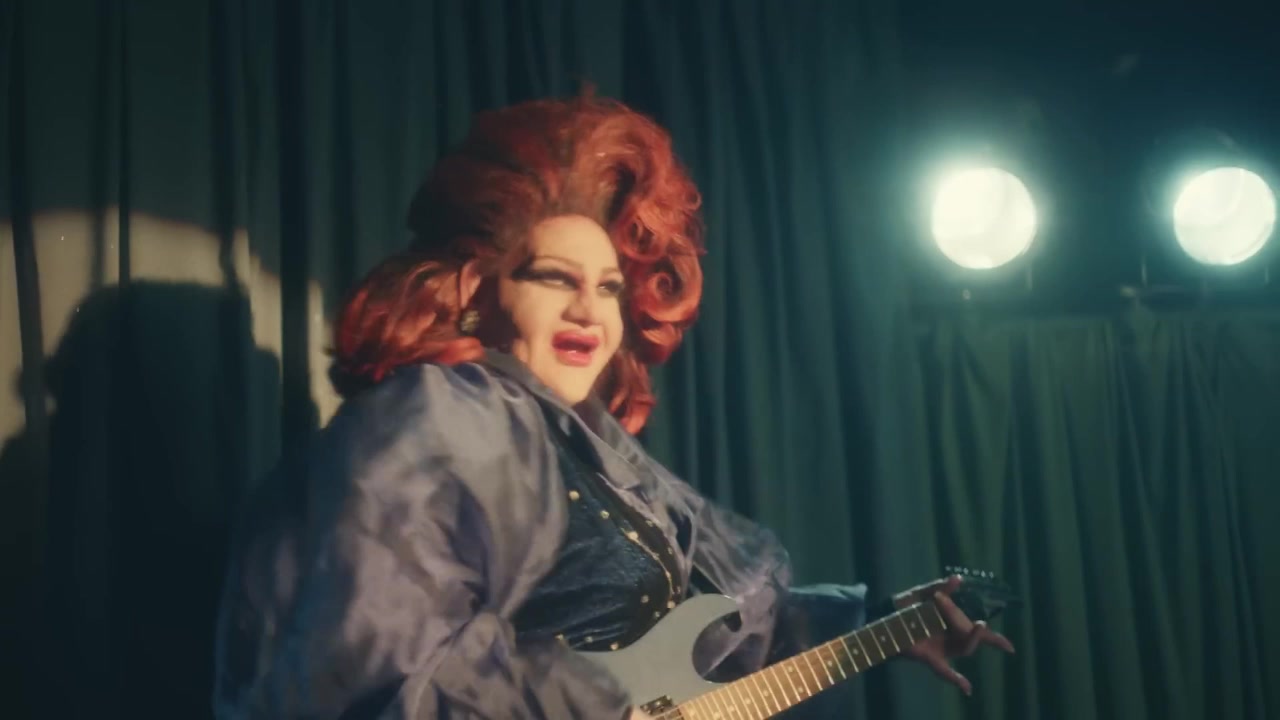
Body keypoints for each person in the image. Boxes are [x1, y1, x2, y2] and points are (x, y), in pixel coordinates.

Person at [212, 93, 1013, 720]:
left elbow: (714, 633)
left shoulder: (590, 452)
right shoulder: (428, 420)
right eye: (554, 279)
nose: (589, 312)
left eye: (607, 288)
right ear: (472, 288)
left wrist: (883, 624)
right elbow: (366, 661)